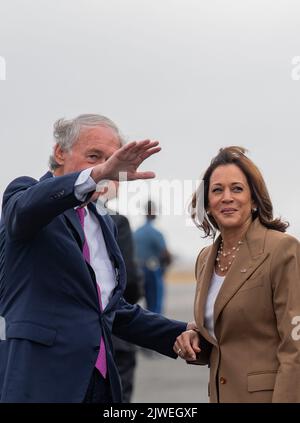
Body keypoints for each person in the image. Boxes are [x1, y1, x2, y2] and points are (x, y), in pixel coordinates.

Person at [0, 114, 194, 403]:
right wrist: (96, 174)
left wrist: (181, 333)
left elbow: (110, 310)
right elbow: (23, 213)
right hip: (40, 382)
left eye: (111, 160)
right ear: (59, 153)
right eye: (94, 156)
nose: (105, 167)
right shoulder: (25, 194)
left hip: (98, 384)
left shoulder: (103, 221)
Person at [174, 146, 300, 403]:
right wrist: (197, 338)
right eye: (217, 190)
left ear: (254, 200)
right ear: (207, 204)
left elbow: (295, 345)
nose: (227, 197)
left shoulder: (282, 250)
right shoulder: (204, 259)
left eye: (237, 188)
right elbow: (229, 334)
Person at [134, 200, 172, 314]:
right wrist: (164, 269)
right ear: (153, 212)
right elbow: (166, 255)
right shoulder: (156, 233)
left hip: (138, 272)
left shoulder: (136, 232)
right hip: (152, 271)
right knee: (155, 308)